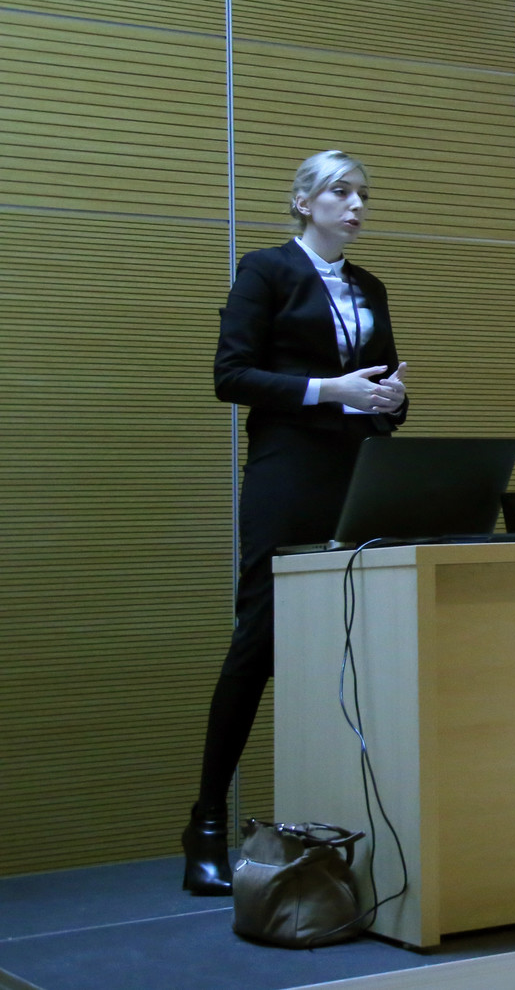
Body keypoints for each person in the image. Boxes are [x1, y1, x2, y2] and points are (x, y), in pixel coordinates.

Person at [182, 150, 410, 895]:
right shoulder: (266, 270)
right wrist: (328, 389)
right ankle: (206, 824)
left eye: (363, 194)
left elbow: (384, 387)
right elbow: (230, 376)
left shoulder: (370, 286)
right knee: (260, 639)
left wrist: (391, 398)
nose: (357, 205)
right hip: (288, 472)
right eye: (341, 192)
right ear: (305, 201)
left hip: (360, 472)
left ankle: (343, 822)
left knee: (357, 635)